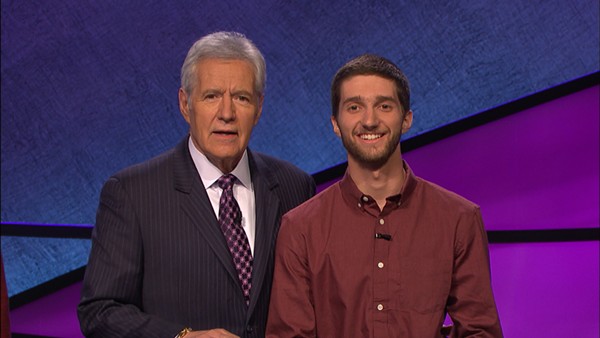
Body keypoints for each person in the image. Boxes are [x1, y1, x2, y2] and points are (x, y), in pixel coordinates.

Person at [78, 31, 315, 338]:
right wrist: (182, 337)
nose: (226, 114)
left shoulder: (294, 186)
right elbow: (100, 311)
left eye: (241, 98)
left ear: (258, 107)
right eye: (211, 96)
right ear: (185, 104)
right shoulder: (132, 193)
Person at [266, 54, 503, 337]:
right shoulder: (300, 228)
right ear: (335, 123)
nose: (369, 120)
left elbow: (480, 332)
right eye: (354, 107)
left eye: (384, 106)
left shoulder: (458, 219)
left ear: (406, 119)